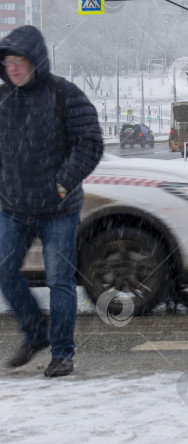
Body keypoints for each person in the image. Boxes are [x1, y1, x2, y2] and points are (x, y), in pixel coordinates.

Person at [0, 25, 104, 377]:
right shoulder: (2, 99)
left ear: (36, 61)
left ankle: (62, 353)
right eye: (8, 60)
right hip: (14, 208)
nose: (13, 67)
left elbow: (90, 141)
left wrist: (64, 181)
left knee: (60, 281)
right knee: (3, 269)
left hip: (58, 210)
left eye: (20, 60)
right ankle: (35, 332)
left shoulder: (64, 93)